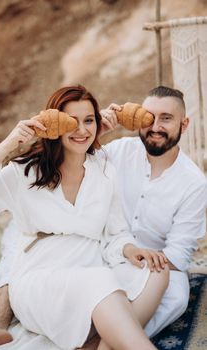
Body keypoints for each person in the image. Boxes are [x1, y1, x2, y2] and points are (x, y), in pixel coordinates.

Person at [0, 85, 169, 350]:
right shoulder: (25, 172)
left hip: (90, 263)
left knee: (157, 269)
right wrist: (7, 146)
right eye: (72, 122)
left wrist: (132, 248)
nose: (82, 130)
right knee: (99, 281)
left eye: (89, 120)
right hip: (39, 276)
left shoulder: (104, 169)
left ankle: (104, 346)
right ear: (55, 125)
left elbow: (115, 232)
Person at [101, 85, 207, 337]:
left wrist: (140, 260)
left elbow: (178, 254)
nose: (155, 126)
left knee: (178, 297)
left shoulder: (195, 183)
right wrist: (100, 132)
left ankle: (110, 340)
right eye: (149, 117)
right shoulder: (119, 150)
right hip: (102, 248)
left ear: (184, 124)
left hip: (153, 266)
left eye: (166, 118)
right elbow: (71, 167)